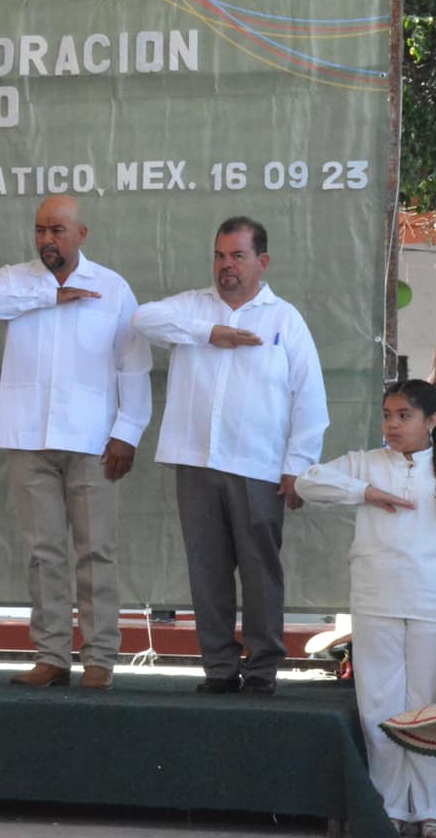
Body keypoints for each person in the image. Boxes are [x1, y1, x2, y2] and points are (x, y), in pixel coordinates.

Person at [0, 196, 153, 689]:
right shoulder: (17, 280)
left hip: (93, 441)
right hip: (28, 438)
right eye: (41, 230)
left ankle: (99, 659)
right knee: (42, 551)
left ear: (81, 235)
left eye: (58, 231)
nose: (47, 240)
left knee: (96, 551)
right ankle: (51, 655)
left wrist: (126, 435)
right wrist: (46, 296)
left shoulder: (111, 287)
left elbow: (133, 366)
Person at [133, 217, 329, 696]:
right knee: (207, 568)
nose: (227, 266)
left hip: (258, 465)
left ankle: (263, 666)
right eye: (220, 256)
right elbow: (140, 319)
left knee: (261, 568)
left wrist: (297, 466)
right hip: (195, 460)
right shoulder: (191, 308)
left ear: (262, 262)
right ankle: (219, 666)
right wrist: (210, 332)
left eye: (238, 256)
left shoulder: (284, 318)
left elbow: (309, 397)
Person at [296, 380, 436, 838]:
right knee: (379, 703)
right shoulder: (366, 463)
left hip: (433, 601)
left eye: (404, 416)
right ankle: (389, 805)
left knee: (427, 708)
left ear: (433, 421)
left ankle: (434, 808)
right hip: (376, 597)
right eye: (387, 414)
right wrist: (368, 493)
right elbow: (308, 482)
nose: (393, 424)